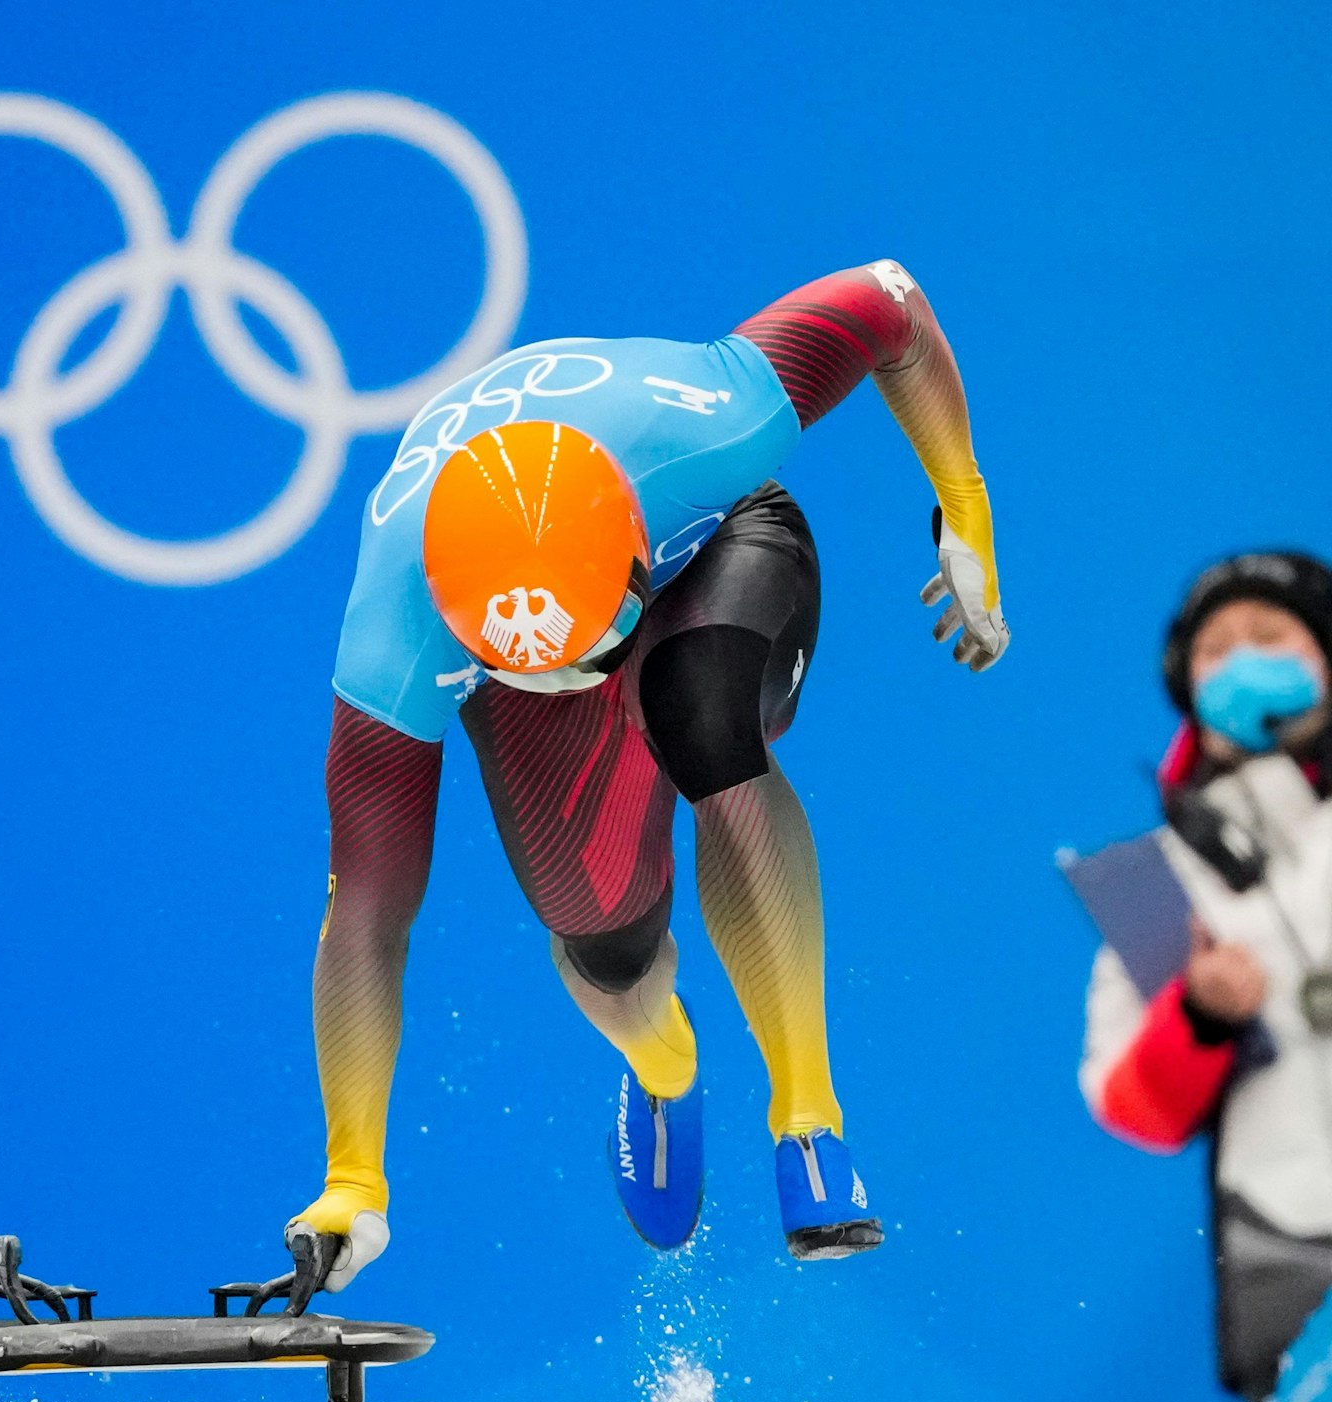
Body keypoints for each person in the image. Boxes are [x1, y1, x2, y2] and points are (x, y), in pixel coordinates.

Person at [285, 261, 1009, 1292]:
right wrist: (352, 1180)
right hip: (539, 604)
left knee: (697, 712)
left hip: (715, 546)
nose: (580, 683)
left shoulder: (709, 423)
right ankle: (663, 1063)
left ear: (631, 548)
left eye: (588, 656)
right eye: (540, 671)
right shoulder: (391, 641)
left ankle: (809, 1120)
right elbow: (365, 915)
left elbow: (889, 300)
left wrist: (963, 504)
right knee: (606, 949)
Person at [1080, 553, 1332, 1402]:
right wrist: (1202, 1016)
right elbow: (1129, 1104)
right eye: (1216, 649)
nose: (1243, 661)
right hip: (1284, 1244)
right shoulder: (1160, 885)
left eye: (1271, 635)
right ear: (1184, 683)